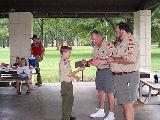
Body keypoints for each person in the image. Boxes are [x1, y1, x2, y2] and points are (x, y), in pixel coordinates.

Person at [110, 22, 139, 120]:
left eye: (117, 30)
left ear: (122, 30)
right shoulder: (121, 42)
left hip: (128, 77)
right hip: (119, 77)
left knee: (128, 106)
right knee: (124, 104)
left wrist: (114, 60)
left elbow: (131, 60)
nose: (116, 32)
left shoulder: (130, 41)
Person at [90, 30, 115, 120]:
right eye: (92, 39)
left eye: (94, 39)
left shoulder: (108, 45)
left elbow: (112, 59)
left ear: (100, 36)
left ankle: (111, 114)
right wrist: (88, 62)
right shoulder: (95, 47)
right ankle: (101, 111)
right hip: (99, 71)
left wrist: (100, 61)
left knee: (110, 93)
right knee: (100, 91)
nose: (93, 41)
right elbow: (94, 59)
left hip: (108, 71)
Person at [59, 46, 85, 120]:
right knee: (66, 101)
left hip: (69, 83)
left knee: (70, 100)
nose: (70, 53)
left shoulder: (66, 61)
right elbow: (69, 74)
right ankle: (65, 118)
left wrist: (76, 77)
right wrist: (79, 69)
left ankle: (68, 115)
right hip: (65, 85)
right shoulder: (63, 62)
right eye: (69, 52)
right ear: (64, 53)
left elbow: (69, 73)